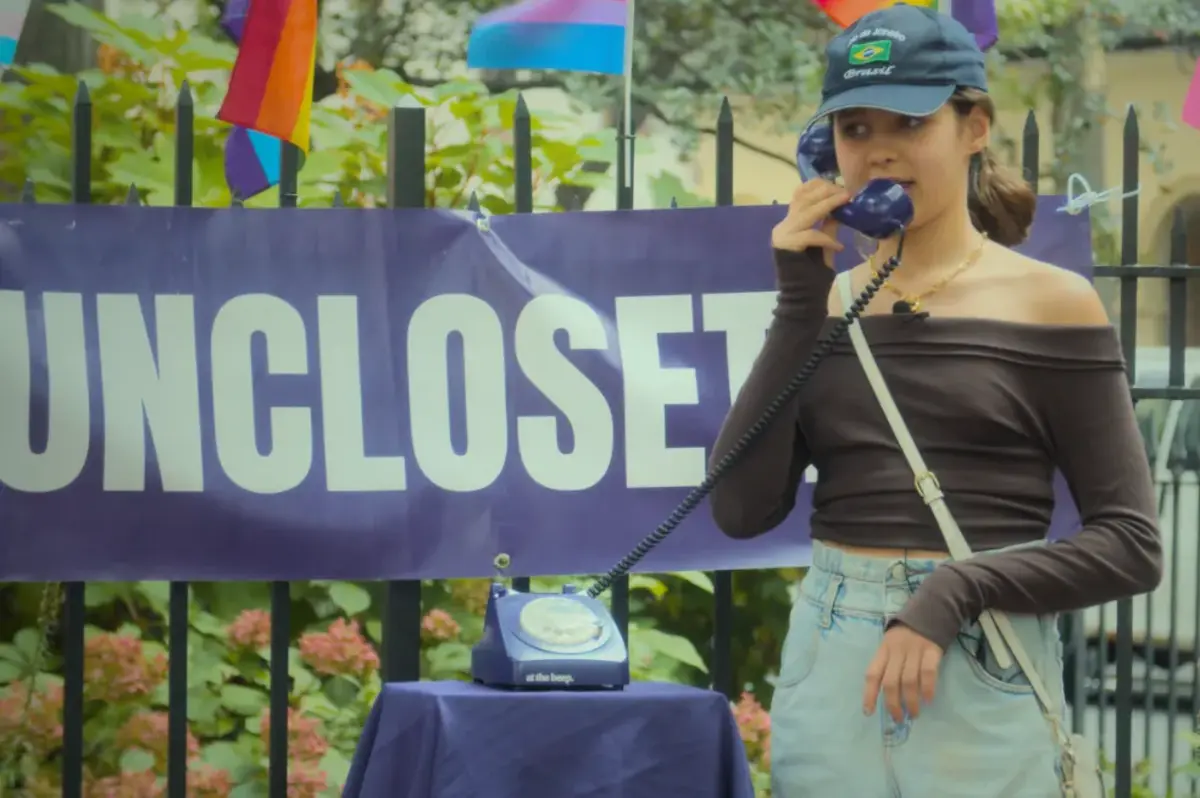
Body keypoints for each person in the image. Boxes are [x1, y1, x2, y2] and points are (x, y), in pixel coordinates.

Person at [707, 4, 1162, 797]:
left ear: (974, 126)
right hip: (835, 656)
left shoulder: (1051, 302)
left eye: (909, 123)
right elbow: (741, 510)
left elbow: (1131, 543)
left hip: (980, 659)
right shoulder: (823, 307)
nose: (878, 152)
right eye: (854, 130)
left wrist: (954, 591)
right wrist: (798, 308)